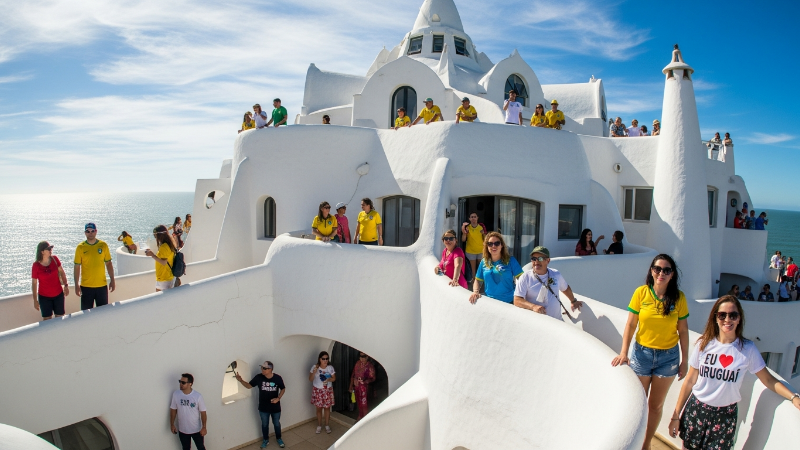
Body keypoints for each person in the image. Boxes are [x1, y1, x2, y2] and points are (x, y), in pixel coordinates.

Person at [668, 296, 800, 449]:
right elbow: (690, 380)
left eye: (733, 315)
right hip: (697, 409)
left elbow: (768, 380)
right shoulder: (704, 344)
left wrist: (793, 397)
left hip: (725, 415)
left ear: (739, 319)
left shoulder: (747, 349)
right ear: (715, 318)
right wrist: (676, 416)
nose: (727, 319)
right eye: (722, 315)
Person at [611, 254, 690, 450]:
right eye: (657, 269)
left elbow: (683, 330)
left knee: (655, 406)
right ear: (652, 271)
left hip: (668, 358)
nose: (661, 273)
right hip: (642, 355)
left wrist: (685, 360)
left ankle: (645, 445)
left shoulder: (679, 298)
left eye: (666, 270)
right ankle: (633, 442)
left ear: (672, 274)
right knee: (638, 403)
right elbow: (631, 324)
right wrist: (623, 352)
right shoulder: (641, 293)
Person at [513, 246, 582, 320]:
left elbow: (565, 288)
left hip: (557, 321)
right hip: (537, 323)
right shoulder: (525, 277)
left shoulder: (555, 274)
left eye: (540, 258)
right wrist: (533, 307)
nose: (536, 262)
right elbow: (517, 300)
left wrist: (573, 301)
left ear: (548, 261)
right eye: (534, 259)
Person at [234, 361, 286, 448]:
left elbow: (283, 388)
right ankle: (265, 440)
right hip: (263, 407)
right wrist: (240, 380)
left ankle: (279, 438)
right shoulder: (259, 377)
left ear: (271, 369)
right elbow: (249, 386)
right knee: (264, 425)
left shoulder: (277, 378)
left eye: (265, 368)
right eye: (262, 367)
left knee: (276, 424)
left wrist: (278, 398)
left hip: (275, 407)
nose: (262, 369)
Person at [468, 232, 523, 304]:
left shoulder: (511, 260)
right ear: (487, 247)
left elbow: (522, 278)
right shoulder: (484, 262)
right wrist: (475, 291)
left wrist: (522, 295)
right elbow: (477, 280)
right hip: (490, 302)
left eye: (497, 243)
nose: (493, 246)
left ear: (502, 245)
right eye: (490, 244)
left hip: (509, 302)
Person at [74, 223, 115, 310]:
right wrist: (76, 284)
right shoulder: (80, 247)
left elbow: (108, 264)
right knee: (86, 315)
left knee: (103, 313)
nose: (90, 233)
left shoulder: (103, 245)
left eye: (92, 231)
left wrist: (112, 279)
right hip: (86, 287)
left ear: (96, 232)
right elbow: (77, 267)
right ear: (85, 233)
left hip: (101, 286)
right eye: (88, 231)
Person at [31, 241, 69, 320]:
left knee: (60, 319)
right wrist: (35, 300)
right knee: (47, 321)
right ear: (42, 252)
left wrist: (66, 285)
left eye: (51, 248)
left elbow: (62, 272)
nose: (50, 250)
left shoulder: (55, 259)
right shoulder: (36, 265)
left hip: (58, 295)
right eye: (48, 249)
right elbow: (34, 283)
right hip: (44, 297)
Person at [170, 373, 207, 450]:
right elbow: (173, 409)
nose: (181, 384)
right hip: (183, 430)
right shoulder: (176, 394)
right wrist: (172, 424)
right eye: (180, 381)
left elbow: (203, 413)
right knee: (185, 448)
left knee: (201, 448)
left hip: (196, 430)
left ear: (190, 384)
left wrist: (204, 427)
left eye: (183, 382)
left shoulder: (198, 396)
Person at [309, 351, 336, 434]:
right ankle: (319, 425)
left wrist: (328, 379)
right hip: (318, 390)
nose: (325, 360)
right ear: (319, 359)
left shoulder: (330, 367)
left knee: (327, 408)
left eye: (327, 359)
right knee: (319, 408)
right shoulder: (315, 367)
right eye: (323, 359)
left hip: (327, 390)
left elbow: (334, 378)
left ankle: (327, 425)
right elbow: (310, 379)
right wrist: (314, 371)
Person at [145, 225, 177, 292]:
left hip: (164, 278)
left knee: (159, 297)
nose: (155, 237)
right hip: (168, 276)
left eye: (155, 235)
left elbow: (164, 262)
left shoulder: (164, 247)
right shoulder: (170, 244)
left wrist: (152, 255)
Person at [349, 352, 376, 421]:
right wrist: (351, 385)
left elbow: (373, 378)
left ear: (367, 357)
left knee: (365, 404)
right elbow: (353, 375)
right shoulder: (357, 363)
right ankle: (360, 416)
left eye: (364, 357)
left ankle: (365, 419)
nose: (362, 359)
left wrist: (365, 381)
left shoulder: (370, 366)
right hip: (357, 387)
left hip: (365, 388)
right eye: (361, 357)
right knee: (359, 403)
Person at [461, 212, 487, 282]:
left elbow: (485, 240)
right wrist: (464, 233)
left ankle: (481, 282)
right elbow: (463, 240)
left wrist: (483, 233)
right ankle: (474, 283)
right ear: (469, 219)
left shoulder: (481, 227)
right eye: (472, 217)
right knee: (473, 270)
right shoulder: (467, 228)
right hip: (471, 251)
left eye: (475, 217)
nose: (473, 218)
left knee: (481, 267)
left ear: (477, 218)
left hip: (481, 250)